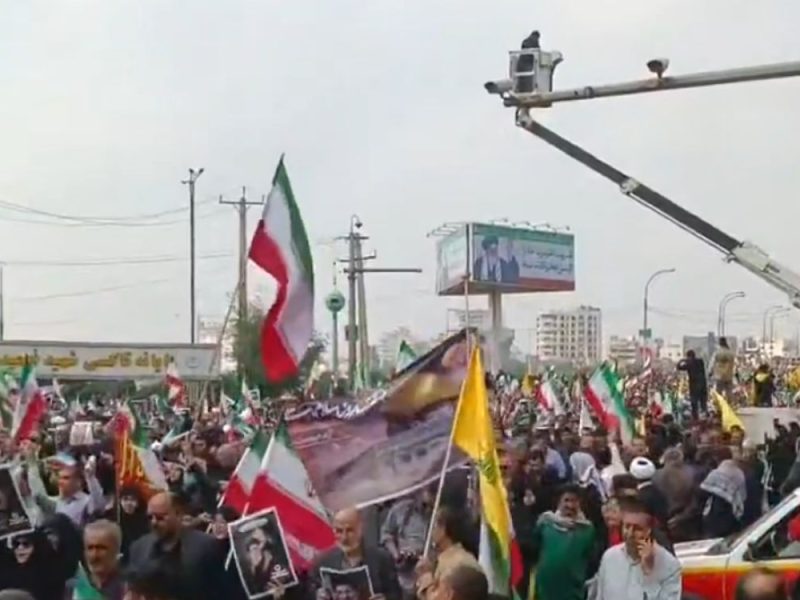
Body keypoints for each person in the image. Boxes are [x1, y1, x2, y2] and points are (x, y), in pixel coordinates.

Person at [127, 492, 226, 600]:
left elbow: (221, 592)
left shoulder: (206, 547)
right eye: (150, 517)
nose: (154, 522)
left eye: (160, 517)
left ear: (178, 514)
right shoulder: (139, 548)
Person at [590, 497, 682, 600]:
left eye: (637, 529)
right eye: (627, 526)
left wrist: (649, 574)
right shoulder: (609, 557)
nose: (629, 533)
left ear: (648, 531)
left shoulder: (669, 565)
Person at [312, 507, 401, 600]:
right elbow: (310, 593)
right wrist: (317, 596)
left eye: (350, 530)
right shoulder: (323, 562)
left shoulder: (382, 559)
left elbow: (397, 595)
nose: (344, 537)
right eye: (339, 531)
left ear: (360, 529)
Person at [530, 484, 596, 600]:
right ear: (559, 502)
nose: (570, 505)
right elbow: (534, 550)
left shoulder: (587, 529)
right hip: (545, 589)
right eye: (566, 500)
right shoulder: (546, 523)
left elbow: (591, 558)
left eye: (574, 501)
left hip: (572, 591)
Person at [416, 507, 481, 600]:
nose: (431, 532)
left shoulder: (458, 562)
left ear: (443, 529)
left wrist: (427, 577)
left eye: (434, 526)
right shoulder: (443, 559)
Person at [381, 487, 434, 599]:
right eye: (424, 505)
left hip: (429, 580)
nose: (426, 509)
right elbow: (386, 534)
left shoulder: (438, 515)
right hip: (403, 579)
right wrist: (397, 555)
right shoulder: (400, 510)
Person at [64, 519, 125, 599]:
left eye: (101, 548)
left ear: (116, 549)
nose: (94, 555)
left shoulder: (128, 588)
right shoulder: (74, 587)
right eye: (90, 548)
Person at [35, 459, 105, 529]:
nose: (60, 482)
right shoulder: (55, 502)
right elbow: (36, 496)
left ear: (78, 481)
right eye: (60, 478)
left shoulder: (86, 501)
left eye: (66, 478)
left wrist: (90, 477)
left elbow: (98, 507)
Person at [677, 350, 708, 419]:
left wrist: (681, 361)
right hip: (703, 385)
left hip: (694, 386)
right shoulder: (700, 361)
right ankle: (705, 415)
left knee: (694, 403)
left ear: (688, 356)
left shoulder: (688, 363)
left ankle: (695, 418)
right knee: (703, 403)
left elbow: (678, 367)